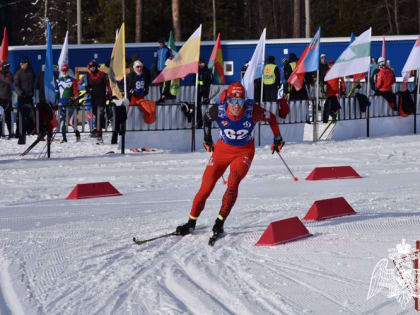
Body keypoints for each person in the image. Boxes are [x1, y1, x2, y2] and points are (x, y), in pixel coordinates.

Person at [175, 82, 285, 238]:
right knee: (205, 188)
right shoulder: (218, 110)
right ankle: (191, 222)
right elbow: (206, 119)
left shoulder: (252, 110)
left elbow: (272, 118)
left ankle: (219, 222)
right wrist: (207, 139)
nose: (236, 105)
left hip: (244, 152)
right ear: (227, 100)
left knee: (233, 182)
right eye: (233, 101)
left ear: (244, 101)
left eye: (240, 101)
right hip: (222, 150)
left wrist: (278, 138)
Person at [86, 60, 111, 144]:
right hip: (94, 98)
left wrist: (109, 95)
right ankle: (98, 130)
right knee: (96, 115)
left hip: (101, 98)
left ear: (96, 66)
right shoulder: (89, 76)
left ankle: (100, 135)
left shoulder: (102, 74)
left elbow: (108, 85)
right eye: (90, 67)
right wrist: (87, 89)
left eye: (93, 67)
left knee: (99, 116)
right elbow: (89, 86)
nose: (92, 68)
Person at [14, 57, 35, 144]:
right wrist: (20, 93)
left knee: (30, 114)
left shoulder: (31, 72)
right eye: (22, 64)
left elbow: (33, 83)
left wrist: (32, 92)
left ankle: (30, 130)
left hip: (29, 97)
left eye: (25, 64)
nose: (23, 66)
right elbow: (16, 85)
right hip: (22, 97)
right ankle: (19, 133)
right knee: (21, 116)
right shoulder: (18, 73)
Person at [56, 64, 79, 142]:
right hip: (61, 103)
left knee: (71, 121)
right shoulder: (59, 80)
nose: (65, 72)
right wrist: (56, 102)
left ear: (68, 71)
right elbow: (57, 93)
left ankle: (77, 133)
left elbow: (76, 93)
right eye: (63, 70)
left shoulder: (72, 80)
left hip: (70, 103)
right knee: (62, 121)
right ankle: (64, 138)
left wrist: (74, 99)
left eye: (66, 70)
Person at [196, 59, 213, 128]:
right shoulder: (198, 71)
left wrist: (200, 82)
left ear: (204, 63)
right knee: (198, 107)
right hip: (199, 90)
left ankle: (207, 122)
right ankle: (199, 123)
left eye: (201, 63)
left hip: (205, 91)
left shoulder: (207, 71)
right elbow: (194, 80)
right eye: (199, 64)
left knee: (205, 108)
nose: (200, 65)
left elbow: (207, 81)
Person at [0, 61, 13, 137]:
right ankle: (1, 133)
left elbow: (11, 80)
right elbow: (8, 80)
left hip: (7, 99)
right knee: (1, 117)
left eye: (8, 68)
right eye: (6, 68)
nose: (7, 69)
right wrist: (7, 73)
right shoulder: (1, 74)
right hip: (0, 99)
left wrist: (7, 72)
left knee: (9, 117)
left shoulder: (8, 74)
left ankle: (11, 132)